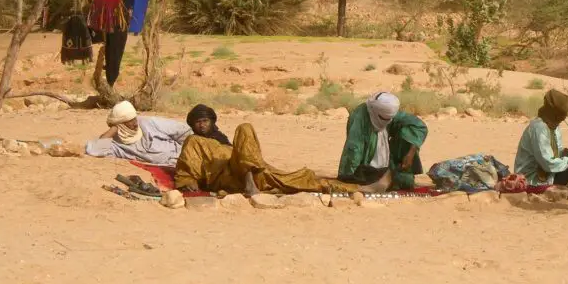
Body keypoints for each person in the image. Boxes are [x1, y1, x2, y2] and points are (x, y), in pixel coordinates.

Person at [175, 121, 368, 196]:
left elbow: (247, 151)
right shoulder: (196, 142)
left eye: (205, 121)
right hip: (229, 175)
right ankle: (249, 182)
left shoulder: (225, 143)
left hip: (256, 170)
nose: (201, 126)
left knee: (300, 179)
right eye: (197, 122)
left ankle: (360, 188)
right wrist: (187, 180)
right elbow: (187, 165)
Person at [337, 91, 428, 190]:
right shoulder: (360, 118)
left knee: (406, 181)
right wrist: (349, 177)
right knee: (365, 181)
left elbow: (419, 126)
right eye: (384, 118)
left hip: (388, 166)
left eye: (390, 119)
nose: (388, 122)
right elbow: (354, 150)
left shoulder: (388, 112)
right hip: (366, 168)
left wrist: (411, 153)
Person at [514, 89, 568, 185]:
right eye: (562, 114)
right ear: (554, 113)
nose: (564, 118)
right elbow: (549, 164)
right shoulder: (539, 128)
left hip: (550, 173)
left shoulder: (554, 127)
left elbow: (555, 155)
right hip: (533, 179)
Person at [84, 101, 191, 166]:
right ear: (120, 124)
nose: (135, 124)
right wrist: (114, 129)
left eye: (134, 118)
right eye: (129, 121)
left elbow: (183, 132)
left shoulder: (148, 123)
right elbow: (94, 150)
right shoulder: (117, 144)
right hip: (171, 166)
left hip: (186, 154)